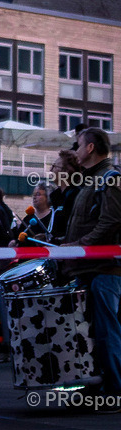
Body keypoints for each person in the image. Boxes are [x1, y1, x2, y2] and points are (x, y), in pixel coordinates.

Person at [61, 127, 121, 408]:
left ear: (90, 148)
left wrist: (78, 246)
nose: (75, 150)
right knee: (90, 333)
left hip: (104, 270)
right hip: (90, 268)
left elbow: (110, 223)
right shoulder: (93, 180)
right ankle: (95, 385)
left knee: (107, 332)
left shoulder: (110, 179)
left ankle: (115, 391)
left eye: (78, 145)